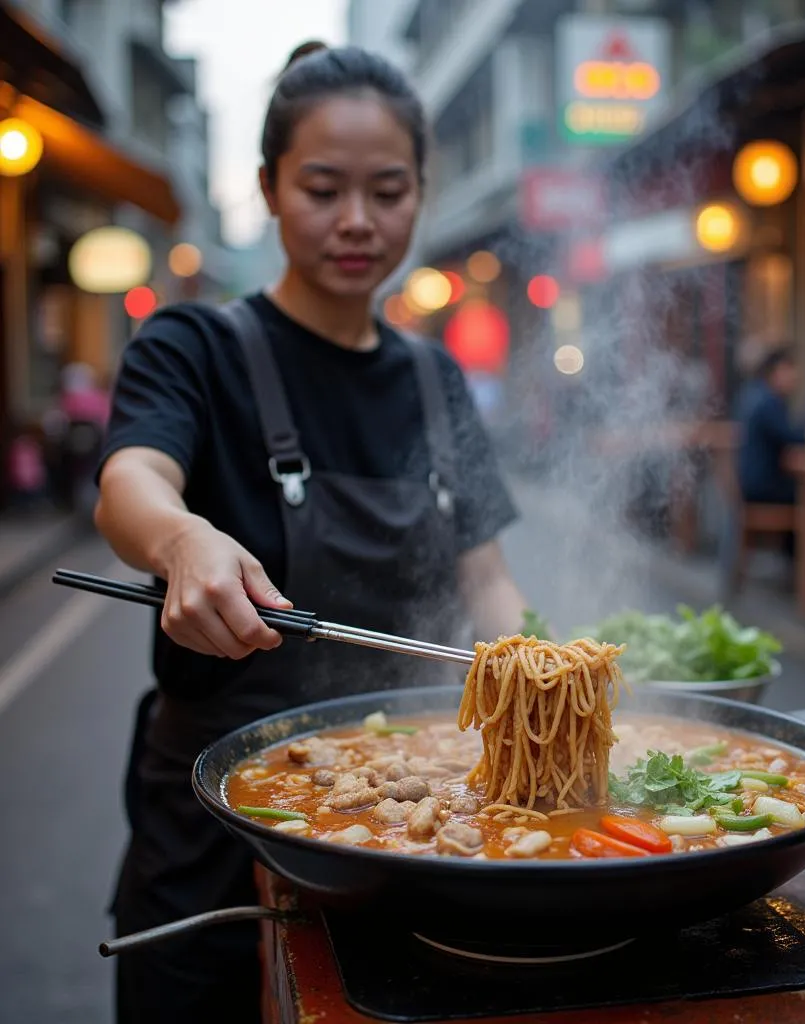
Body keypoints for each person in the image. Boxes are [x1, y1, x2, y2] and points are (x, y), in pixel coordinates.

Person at [94, 42, 528, 1023]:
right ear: (268, 187)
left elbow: (487, 573)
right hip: (219, 834)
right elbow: (131, 483)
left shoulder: (434, 375)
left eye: (388, 190)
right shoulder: (191, 346)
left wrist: (534, 655)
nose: (357, 222)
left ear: (421, 192)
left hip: (416, 835)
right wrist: (179, 541)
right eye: (324, 188)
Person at [734, 345, 804, 506]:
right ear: (776, 372)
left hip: (751, 485)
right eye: (790, 372)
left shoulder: (754, 394)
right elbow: (791, 437)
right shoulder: (767, 402)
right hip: (762, 487)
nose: (795, 379)